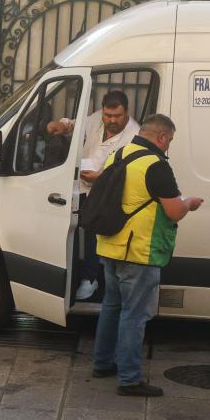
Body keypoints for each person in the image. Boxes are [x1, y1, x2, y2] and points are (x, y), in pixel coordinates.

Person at [91, 114, 204, 396]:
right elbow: (174, 211)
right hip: (139, 251)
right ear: (162, 137)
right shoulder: (156, 165)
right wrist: (189, 203)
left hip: (110, 245)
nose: (168, 147)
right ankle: (129, 379)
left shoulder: (120, 153)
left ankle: (103, 363)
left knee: (111, 306)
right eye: (170, 141)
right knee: (135, 315)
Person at [48, 91, 142, 299]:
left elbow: (127, 173)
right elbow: (75, 125)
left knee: (92, 234)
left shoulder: (134, 135)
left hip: (106, 192)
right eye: (108, 115)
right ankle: (67, 276)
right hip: (80, 185)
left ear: (126, 112)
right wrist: (61, 126)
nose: (111, 120)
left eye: (116, 116)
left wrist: (99, 179)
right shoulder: (97, 118)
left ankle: (90, 278)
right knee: (70, 228)